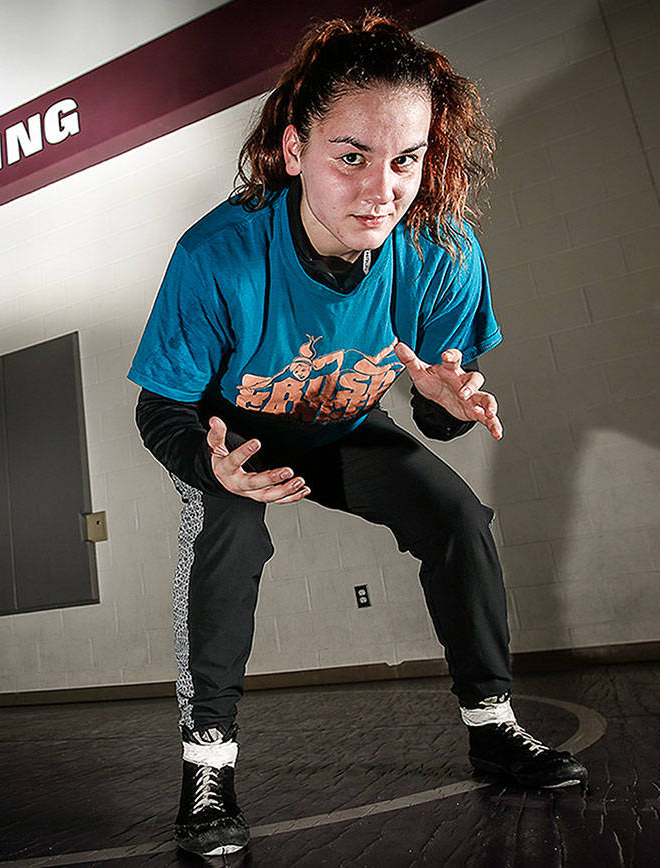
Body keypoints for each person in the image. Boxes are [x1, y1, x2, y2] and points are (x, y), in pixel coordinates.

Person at [128, 13, 586, 857]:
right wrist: (209, 464)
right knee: (227, 537)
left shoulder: (443, 254)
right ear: (295, 150)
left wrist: (448, 403)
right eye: (352, 156)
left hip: (345, 424)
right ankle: (208, 771)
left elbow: (436, 424)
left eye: (405, 158)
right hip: (243, 436)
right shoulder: (218, 255)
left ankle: (493, 727)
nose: (382, 189)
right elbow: (160, 406)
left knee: (459, 519)